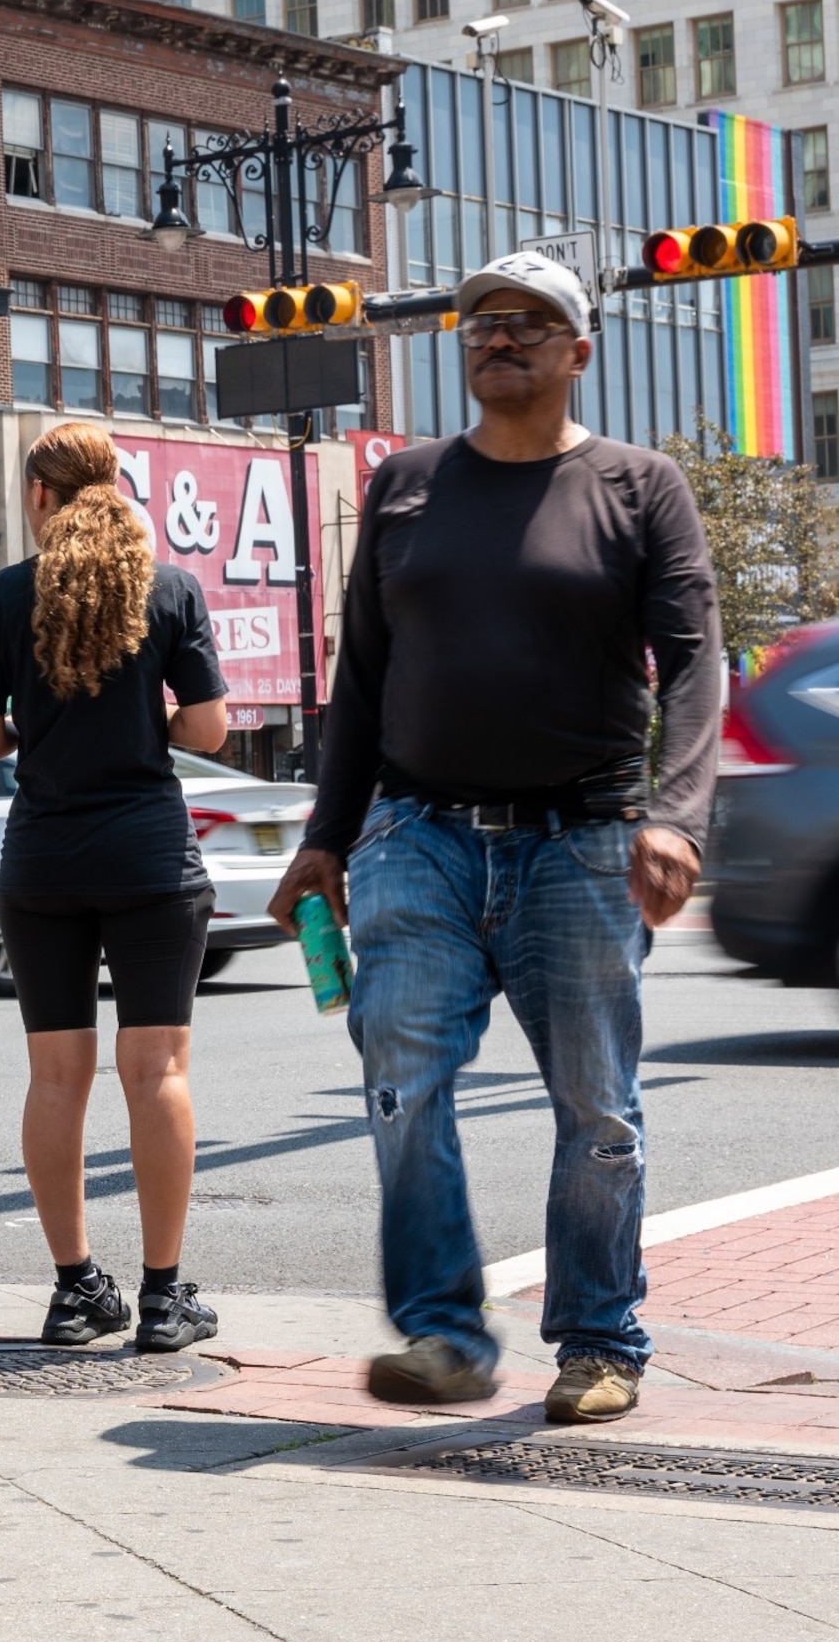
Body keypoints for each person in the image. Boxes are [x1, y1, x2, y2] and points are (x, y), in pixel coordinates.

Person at [269, 250, 718, 1425]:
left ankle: (599, 1340)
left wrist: (674, 817)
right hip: (417, 832)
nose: (498, 337)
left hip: (581, 838)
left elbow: (694, 664)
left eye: (529, 322)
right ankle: (446, 1335)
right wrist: (328, 834)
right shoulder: (406, 484)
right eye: (479, 322)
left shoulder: (638, 486)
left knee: (598, 1108)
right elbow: (361, 674)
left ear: (580, 350)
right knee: (400, 1079)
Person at [0, 424, 230, 1355]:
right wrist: (143, 707)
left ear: (39, 495)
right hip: (150, 860)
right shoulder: (170, 591)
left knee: (55, 1076)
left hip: (42, 862)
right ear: (112, 488)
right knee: (155, 1072)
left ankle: (76, 1291)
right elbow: (210, 730)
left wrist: (49, 718)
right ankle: (163, 1299)